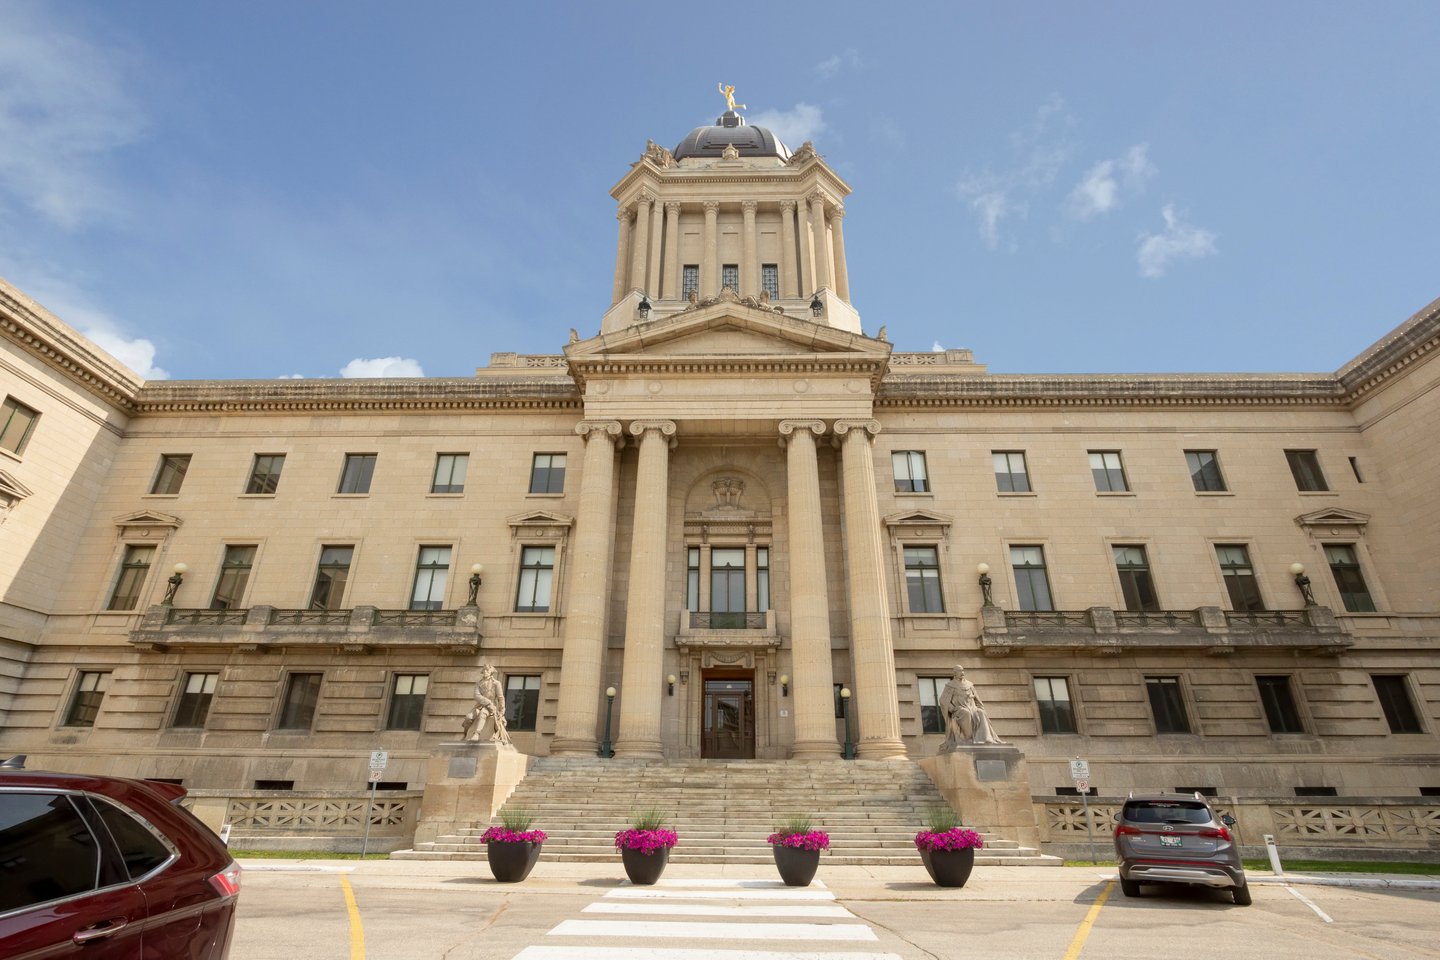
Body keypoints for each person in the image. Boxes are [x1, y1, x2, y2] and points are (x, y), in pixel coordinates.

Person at [939, 665, 1004, 747]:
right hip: (959, 710)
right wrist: (952, 708)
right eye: (960, 671)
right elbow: (943, 700)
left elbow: (977, 699)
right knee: (965, 713)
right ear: (955, 673)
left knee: (981, 712)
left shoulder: (969, 685)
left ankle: (986, 737)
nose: (962, 673)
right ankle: (967, 738)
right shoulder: (950, 685)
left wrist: (980, 707)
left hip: (972, 708)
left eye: (963, 670)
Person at [461, 662, 512, 745]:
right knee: (468, 718)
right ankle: (466, 734)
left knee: (483, 713)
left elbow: (500, 698)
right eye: (484, 671)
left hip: (491, 707)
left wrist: (502, 711)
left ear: (490, 672)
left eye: (487, 671)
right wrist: (487, 702)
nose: (485, 672)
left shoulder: (496, 683)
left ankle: (477, 734)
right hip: (479, 706)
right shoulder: (479, 683)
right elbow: (476, 695)